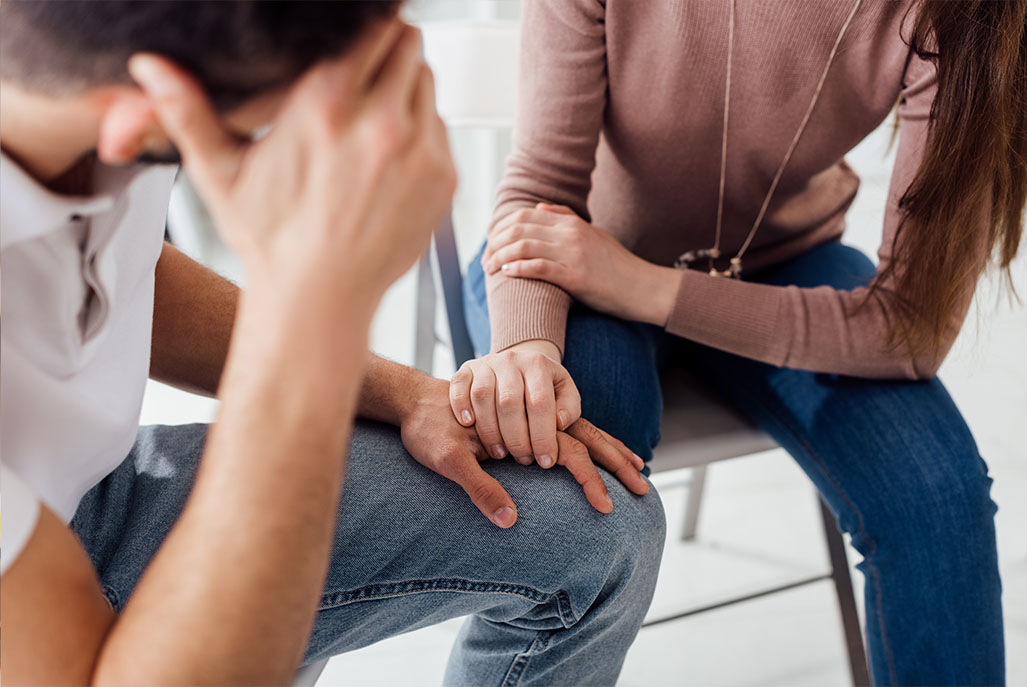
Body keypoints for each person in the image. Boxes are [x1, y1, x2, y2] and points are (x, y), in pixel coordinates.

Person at [0, 2, 665, 684]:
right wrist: (315, 310)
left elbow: (117, 263)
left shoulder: (84, 75)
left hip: (91, 494)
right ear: (152, 111)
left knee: (595, 527)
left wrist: (403, 392)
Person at [455, 0, 1027, 685]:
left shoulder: (961, 15)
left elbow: (910, 326)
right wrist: (530, 349)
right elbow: (539, 190)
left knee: (937, 494)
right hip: (577, 258)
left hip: (775, 266)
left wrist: (649, 289)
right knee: (583, 473)